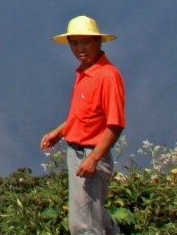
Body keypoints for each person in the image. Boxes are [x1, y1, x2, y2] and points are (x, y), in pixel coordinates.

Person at [41, 15, 126, 235]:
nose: (80, 49)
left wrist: (93, 159)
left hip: (90, 154)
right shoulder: (84, 72)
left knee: (84, 224)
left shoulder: (108, 76)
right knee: (94, 215)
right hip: (77, 153)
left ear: (98, 42)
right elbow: (83, 113)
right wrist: (59, 132)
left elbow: (115, 124)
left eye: (86, 42)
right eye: (75, 43)